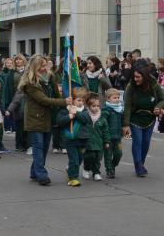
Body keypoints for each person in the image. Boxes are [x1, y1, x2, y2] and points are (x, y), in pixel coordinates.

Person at [20, 55, 70, 186]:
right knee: (38, 147)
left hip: (49, 117)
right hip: (35, 118)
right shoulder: (29, 83)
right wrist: (64, 102)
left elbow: (56, 95)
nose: (44, 68)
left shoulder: (51, 77)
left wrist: (65, 100)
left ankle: (34, 172)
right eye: (41, 66)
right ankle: (42, 175)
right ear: (34, 67)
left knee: (43, 149)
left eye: (45, 65)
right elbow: (43, 100)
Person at [123, 65, 164, 177]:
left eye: (138, 77)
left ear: (145, 76)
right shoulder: (131, 87)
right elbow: (127, 105)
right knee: (137, 141)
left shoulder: (154, 84)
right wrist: (126, 124)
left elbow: (162, 100)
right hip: (135, 117)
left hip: (149, 118)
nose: (135, 79)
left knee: (146, 143)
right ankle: (138, 166)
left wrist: (158, 107)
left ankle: (141, 163)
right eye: (134, 77)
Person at [56, 88, 88, 186]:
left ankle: (70, 169)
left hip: (83, 139)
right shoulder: (65, 110)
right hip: (71, 139)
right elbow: (59, 121)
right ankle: (73, 178)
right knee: (74, 160)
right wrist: (68, 116)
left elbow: (86, 119)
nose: (81, 102)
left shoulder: (84, 110)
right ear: (73, 100)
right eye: (78, 100)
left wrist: (76, 113)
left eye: (83, 100)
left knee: (79, 159)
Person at [80, 93, 111, 182]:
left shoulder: (102, 118)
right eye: (94, 106)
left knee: (98, 158)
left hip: (98, 142)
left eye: (98, 106)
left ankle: (96, 173)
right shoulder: (85, 116)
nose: (96, 108)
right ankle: (86, 169)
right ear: (89, 106)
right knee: (89, 156)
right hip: (88, 142)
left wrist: (107, 141)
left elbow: (106, 131)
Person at [102, 88, 124, 179]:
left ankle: (113, 165)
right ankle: (109, 170)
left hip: (118, 137)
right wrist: (104, 136)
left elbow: (123, 122)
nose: (117, 99)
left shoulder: (120, 110)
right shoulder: (106, 110)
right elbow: (103, 124)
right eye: (115, 98)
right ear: (108, 99)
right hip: (108, 137)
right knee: (108, 154)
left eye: (118, 97)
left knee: (119, 153)